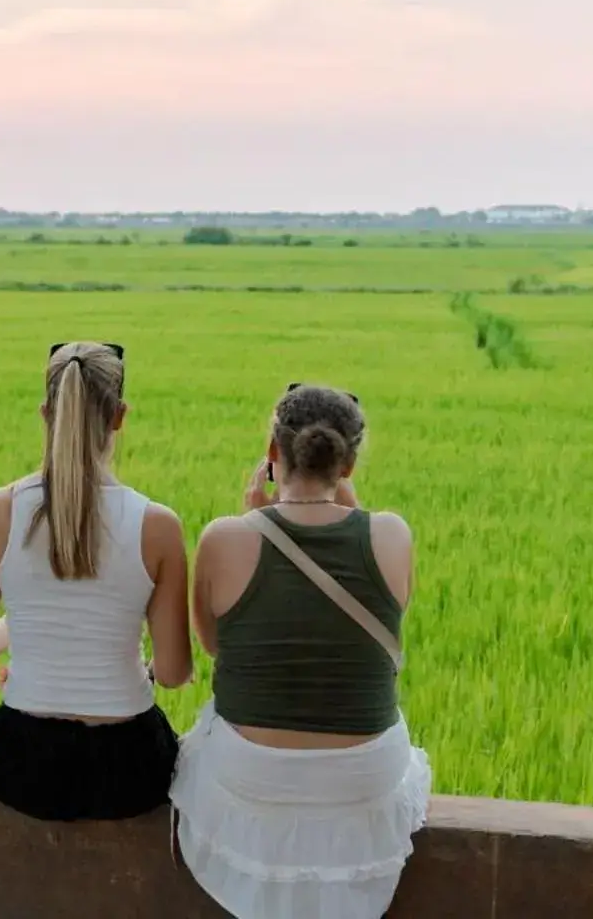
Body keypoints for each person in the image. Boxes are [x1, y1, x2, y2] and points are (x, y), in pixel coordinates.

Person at [171, 384, 427, 919]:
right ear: (350, 464)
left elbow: (220, 649)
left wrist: (256, 521)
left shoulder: (224, 539)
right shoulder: (392, 535)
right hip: (364, 778)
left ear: (272, 453)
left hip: (252, 775)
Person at [0, 340, 193, 821]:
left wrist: (19, 631)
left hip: (23, 764)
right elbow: (173, 672)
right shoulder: (157, 525)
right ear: (119, 416)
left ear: (46, 412)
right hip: (130, 766)